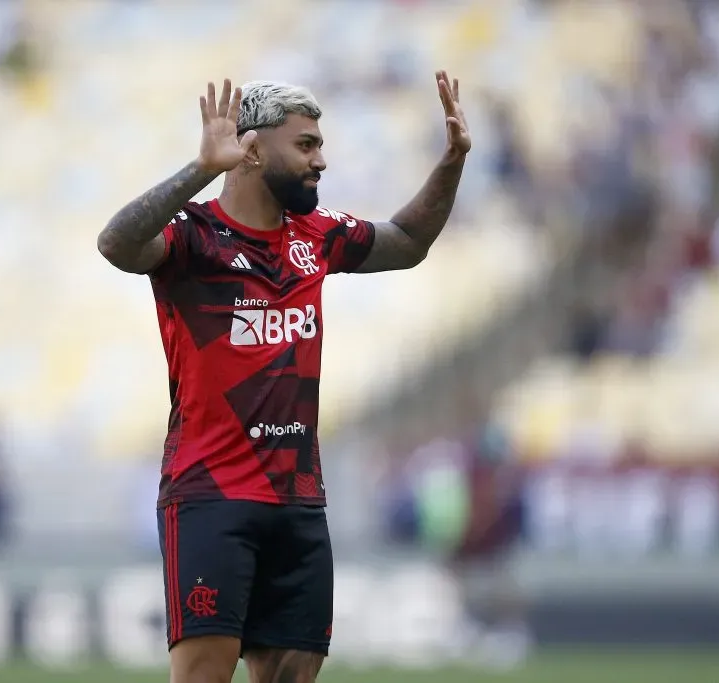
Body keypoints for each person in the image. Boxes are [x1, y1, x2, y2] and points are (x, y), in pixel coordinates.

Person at [97, 72, 471, 683]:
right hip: (210, 497)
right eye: (305, 145)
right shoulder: (192, 237)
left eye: (319, 144)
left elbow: (406, 242)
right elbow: (115, 244)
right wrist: (199, 170)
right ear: (251, 150)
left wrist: (453, 161)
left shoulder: (317, 236)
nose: (320, 160)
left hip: (297, 503)